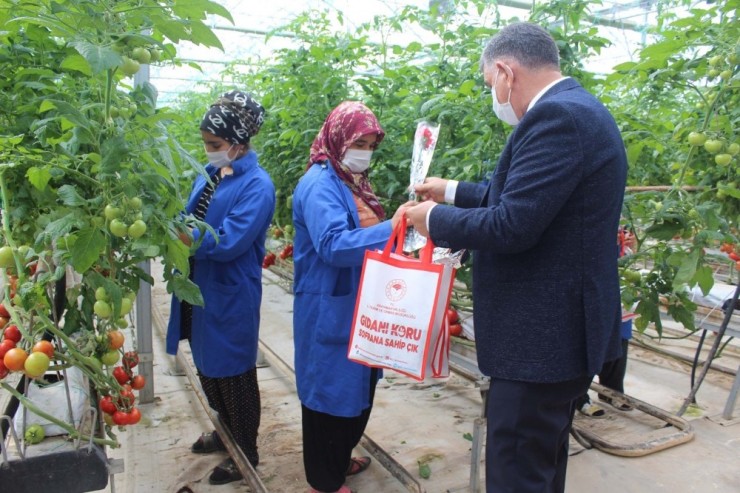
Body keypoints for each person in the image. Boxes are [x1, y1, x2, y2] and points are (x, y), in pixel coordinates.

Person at [405, 23, 627, 492]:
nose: (496, 95)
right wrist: (452, 191)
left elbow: (513, 224)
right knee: (539, 462)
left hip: (540, 341)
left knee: (518, 470)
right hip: (555, 336)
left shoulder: (558, 118)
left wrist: (435, 219)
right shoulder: (577, 110)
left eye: (491, 84)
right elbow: (527, 197)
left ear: (506, 71)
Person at [291, 101, 414, 493]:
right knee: (328, 398)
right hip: (329, 305)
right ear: (338, 137)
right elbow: (332, 245)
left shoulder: (350, 182)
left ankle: (339, 460)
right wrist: (390, 228)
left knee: (358, 392)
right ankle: (323, 483)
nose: (365, 151)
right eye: (358, 141)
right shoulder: (319, 184)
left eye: (371, 144)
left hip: (359, 302)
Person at [165, 90, 275, 485]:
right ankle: (224, 430)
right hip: (198, 288)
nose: (208, 151)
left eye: (215, 145)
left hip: (229, 291)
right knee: (207, 365)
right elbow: (190, 212)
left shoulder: (258, 186)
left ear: (239, 143)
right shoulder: (213, 173)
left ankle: (245, 449)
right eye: (206, 145)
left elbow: (228, 241)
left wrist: (183, 235)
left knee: (235, 373)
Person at [578, 228, 637, 417]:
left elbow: (630, 251)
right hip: (594, 288)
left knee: (619, 341)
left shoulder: (623, 223)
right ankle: (580, 398)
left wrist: (630, 244)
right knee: (588, 344)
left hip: (618, 289)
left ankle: (613, 392)